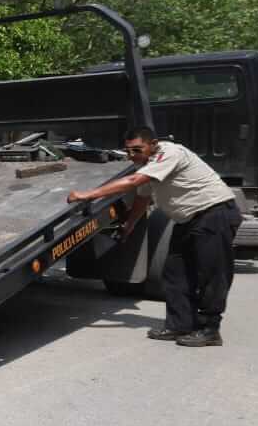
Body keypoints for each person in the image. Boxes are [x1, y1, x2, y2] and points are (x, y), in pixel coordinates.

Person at [67, 126, 242, 347]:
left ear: (153, 144)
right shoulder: (147, 165)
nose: (132, 156)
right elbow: (142, 198)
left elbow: (133, 183)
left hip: (214, 213)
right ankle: (180, 324)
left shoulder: (169, 153)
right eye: (128, 151)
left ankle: (209, 329)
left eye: (137, 150)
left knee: (212, 274)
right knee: (174, 272)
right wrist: (129, 225)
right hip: (185, 219)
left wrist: (88, 194)